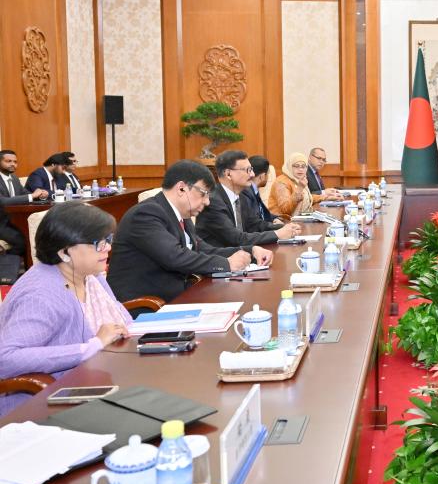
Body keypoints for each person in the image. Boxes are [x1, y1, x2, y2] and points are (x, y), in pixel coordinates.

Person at [0, 203, 130, 416]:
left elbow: (121, 319)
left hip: (96, 381)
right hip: (41, 406)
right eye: (98, 243)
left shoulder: (90, 274)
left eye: (108, 239)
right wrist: (91, 346)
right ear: (65, 252)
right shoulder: (41, 295)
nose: (107, 247)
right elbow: (6, 358)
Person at [107, 160, 270, 306]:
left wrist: (250, 251)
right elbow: (175, 257)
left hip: (178, 297)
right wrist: (227, 264)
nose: (207, 202)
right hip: (148, 306)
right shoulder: (145, 214)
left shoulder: (181, 214)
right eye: (203, 194)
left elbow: (203, 250)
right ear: (181, 188)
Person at [196, 150, 300, 248]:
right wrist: (277, 234)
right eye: (248, 170)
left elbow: (254, 225)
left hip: (242, 253)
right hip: (220, 257)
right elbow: (236, 239)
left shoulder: (241, 195)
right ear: (228, 174)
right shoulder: (213, 201)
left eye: (251, 169)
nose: (253, 174)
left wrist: (285, 227)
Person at [269, 152, 314, 219]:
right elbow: (285, 210)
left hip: (299, 219)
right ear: (289, 166)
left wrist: (324, 197)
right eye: (296, 166)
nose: (300, 169)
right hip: (282, 221)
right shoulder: (281, 182)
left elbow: (306, 198)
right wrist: (299, 189)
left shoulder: (298, 179)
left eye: (303, 166)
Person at [247, 155, 282, 225]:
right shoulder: (246, 194)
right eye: (268, 174)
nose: (268, 177)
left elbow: (264, 214)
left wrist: (278, 218)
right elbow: (255, 223)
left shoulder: (254, 190)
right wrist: (277, 227)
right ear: (262, 176)